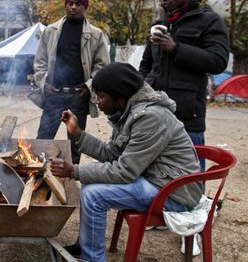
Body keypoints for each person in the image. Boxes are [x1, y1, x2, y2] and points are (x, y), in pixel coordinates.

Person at [49, 62, 203, 262]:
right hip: (155, 179)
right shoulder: (127, 111)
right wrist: (77, 133)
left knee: (93, 194)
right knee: (91, 179)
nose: (97, 102)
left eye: (102, 96)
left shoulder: (150, 117)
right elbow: (112, 154)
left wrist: (73, 171)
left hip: (174, 193)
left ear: (119, 96)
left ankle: (92, 259)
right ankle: (84, 246)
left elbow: (124, 171)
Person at [139, 0, 229, 171]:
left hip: (187, 116)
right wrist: (144, 87)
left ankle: (195, 203)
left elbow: (218, 61)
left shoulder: (209, 20)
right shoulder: (160, 23)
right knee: (154, 172)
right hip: (155, 113)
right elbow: (146, 65)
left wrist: (176, 48)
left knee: (191, 176)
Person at [33, 0, 110, 164]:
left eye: (78, 4)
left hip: (78, 96)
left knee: (75, 144)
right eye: (70, 3)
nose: (74, 7)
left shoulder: (96, 34)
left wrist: (89, 86)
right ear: (65, 4)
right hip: (54, 94)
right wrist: (45, 83)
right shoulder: (50, 31)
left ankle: (71, 183)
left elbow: (102, 67)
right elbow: (39, 62)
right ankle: (35, 178)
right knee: (41, 141)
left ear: (85, 6)